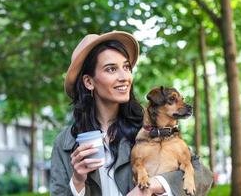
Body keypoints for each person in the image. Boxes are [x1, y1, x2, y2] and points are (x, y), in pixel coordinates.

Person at [50, 31, 213, 196]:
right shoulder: (65, 144)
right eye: (111, 69)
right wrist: (78, 181)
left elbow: (203, 176)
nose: (124, 77)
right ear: (89, 82)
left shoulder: (149, 128)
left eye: (126, 67)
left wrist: (154, 185)